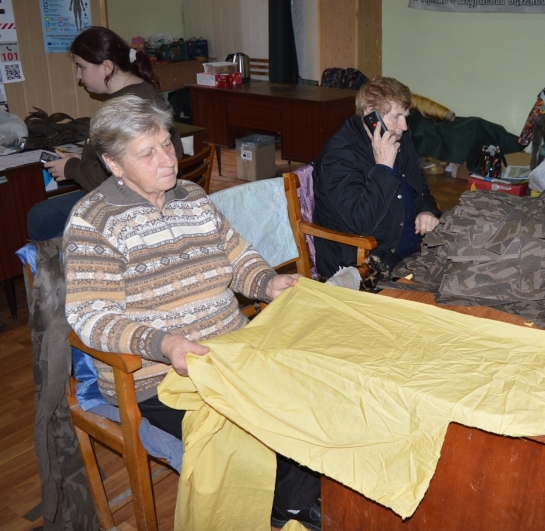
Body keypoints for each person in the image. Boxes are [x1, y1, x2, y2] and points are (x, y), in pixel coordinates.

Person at [62, 95, 320, 531]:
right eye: (148, 153)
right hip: (156, 377)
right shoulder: (93, 222)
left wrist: (268, 282)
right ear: (113, 164)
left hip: (230, 350)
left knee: (310, 390)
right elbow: (92, 318)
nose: (168, 160)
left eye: (167, 144)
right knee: (247, 425)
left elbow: (239, 259)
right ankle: (284, 509)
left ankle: (294, 506)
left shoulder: (193, 197)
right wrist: (164, 345)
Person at [27, 26, 183, 241]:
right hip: (140, 194)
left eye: (81, 67)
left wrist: (72, 168)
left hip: (130, 202)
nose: (78, 75)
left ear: (107, 67)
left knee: (40, 218)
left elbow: (113, 179)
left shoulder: (125, 107)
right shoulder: (142, 90)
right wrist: (81, 160)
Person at [312, 76, 441, 277]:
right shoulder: (339, 156)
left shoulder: (397, 136)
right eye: (397, 116)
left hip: (410, 256)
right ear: (371, 116)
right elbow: (362, 223)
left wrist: (427, 210)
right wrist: (383, 167)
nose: (405, 126)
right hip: (362, 266)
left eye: (406, 116)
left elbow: (419, 185)